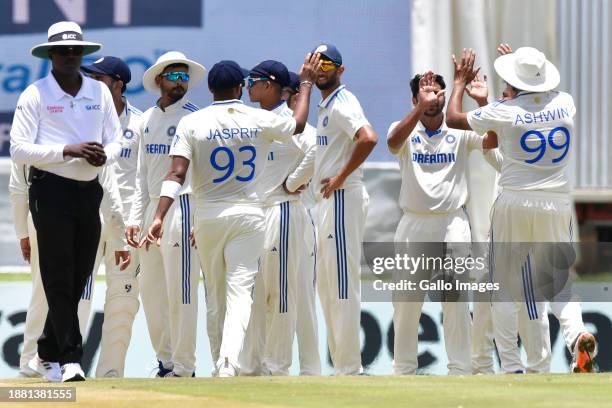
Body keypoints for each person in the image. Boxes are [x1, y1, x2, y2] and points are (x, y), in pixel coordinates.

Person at [142, 55, 320, 377]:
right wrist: (305, 85)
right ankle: (228, 364)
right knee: (241, 294)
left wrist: (158, 215)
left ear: (210, 88)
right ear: (240, 87)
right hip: (249, 215)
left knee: (216, 297)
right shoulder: (255, 118)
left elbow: (175, 173)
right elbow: (298, 125)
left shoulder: (192, 122)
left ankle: (219, 363)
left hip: (208, 217)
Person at [446, 47, 596, 373]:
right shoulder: (565, 102)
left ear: (514, 84)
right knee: (557, 282)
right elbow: (531, 105)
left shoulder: (506, 110)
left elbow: (453, 120)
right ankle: (577, 335)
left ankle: (512, 365)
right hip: (555, 203)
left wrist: (459, 84)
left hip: (514, 201)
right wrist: (521, 70)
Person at [9, 21, 122, 382]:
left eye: (76, 51)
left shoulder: (99, 93)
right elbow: (19, 149)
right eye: (64, 51)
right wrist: (67, 151)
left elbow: (117, 140)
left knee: (80, 275)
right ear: (51, 56)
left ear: (82, 54)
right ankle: (71, 358)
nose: (71, 57)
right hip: (50, 190)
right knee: (58, 275)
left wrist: (105, 155)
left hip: (89, 190)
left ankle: (46, 348)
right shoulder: (35, 94)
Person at [386, 71, 497, 375]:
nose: (433, 97)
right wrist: (420, 109)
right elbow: (392, 143)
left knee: (456, 300)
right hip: (413, 224)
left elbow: (492, 138)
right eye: (425, 92)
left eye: (438, 92)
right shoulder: (404, 128)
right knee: (406, 302)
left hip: (453, 223)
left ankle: (460, 369)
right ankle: (404, 370)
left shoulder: (459, 129)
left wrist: (484, 102)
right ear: (414, 99)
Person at [288, 43, 378, 375]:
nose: (321, 67)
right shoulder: (326, 106)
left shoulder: (342, 102)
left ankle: (350, 369)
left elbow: (368, 137)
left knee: (341, 284)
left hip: (342, 197)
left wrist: (341, 176)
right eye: (315, 61)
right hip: (329, 199)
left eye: (328, 63)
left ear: (340, 70)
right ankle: (342, 366)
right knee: (327, 286)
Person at [126, 51, 205, 378]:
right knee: (152, 292)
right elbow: (141, 176)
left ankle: (185, 367)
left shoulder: (195, 118)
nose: (180, 81)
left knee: (182, 291)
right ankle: (167, 362)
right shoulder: (146, 120)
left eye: (184, 76)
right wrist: (134, 218)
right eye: (173, 75)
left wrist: (198, 219)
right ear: (159, 80)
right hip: (150, 214)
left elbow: (202, 175)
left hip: (183, 208)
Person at [9, 161, 125, 380]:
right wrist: (22, 232)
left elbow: (108, 182)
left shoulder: (91, 130)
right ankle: (46, 360)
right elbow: (18, 183)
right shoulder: (36, 131)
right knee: (46, 291)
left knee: (71, 289)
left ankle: (42, 356)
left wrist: (119, 236)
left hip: (86, 210)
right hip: (44, 210)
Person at [239, 60, 318, 375]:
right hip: (254, 214)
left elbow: (315, 149)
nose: (248, 86)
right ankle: (251, 366)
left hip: (282, 211)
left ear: (270, 85)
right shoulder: (256, 120)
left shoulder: (289, 121)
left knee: (281, 292)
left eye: (253, 81)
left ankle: (277, 366)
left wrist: (292, 182)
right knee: (254, 293)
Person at [81, 56, 141, 378]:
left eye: (98, 78)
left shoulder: (142, 123)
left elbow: (146, 180)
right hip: (87, 219)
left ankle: (111, 375)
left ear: (118, 84)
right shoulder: (83, 119)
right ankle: (70, 365)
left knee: (123, 300)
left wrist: (137, 222)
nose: (90, 84)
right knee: (79, 295)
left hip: (126, 227)